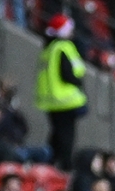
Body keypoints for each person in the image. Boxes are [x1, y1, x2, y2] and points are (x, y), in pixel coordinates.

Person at [35, 16, 85, 172]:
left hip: (51, 101)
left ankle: (50, 161)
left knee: (57, 134)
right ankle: (65, 166)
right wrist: (78, 81)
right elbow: (67, 73)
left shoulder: (48, 48)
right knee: (66, 136)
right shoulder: (63, 47)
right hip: (66, 100)